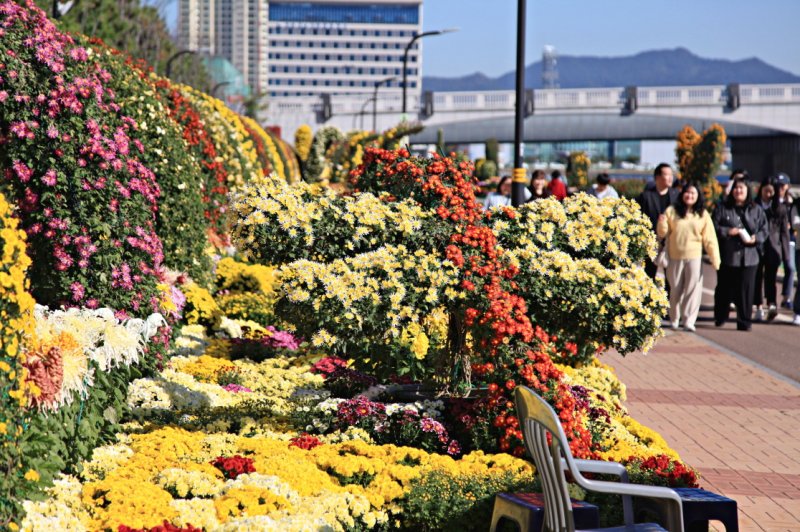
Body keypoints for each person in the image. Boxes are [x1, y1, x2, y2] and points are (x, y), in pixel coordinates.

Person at [657, 183, 720, 331]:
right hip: (674, 256)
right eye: (687, 193)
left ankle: (689, 320)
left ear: (698, 196)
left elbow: (710, 238)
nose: (690, 196)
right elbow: (662, 233)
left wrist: (715, 258)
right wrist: (661, 223)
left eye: (693, 193)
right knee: (675, 289)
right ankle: (674, 318)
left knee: (693, 290)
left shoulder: (702, 214)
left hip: (694, 257)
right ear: (682, 194)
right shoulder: (671, 211)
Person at [713, 177, 769, 331]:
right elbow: (715, 226)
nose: (738, 191)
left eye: (742, 188)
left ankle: (744, 321)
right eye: (736, 188)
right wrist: (728, 231)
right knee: (724, 288)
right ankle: (721, 316)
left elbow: (764, 229)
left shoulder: (756, 209)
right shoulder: (723, 208)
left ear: (747, 191)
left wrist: (755, 238)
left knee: (746, 290)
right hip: (728, 256)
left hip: (749, 257)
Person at [752, 176, 791, 321]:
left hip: (773, 248)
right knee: (756, 277)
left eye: (771, 191)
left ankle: (771, 304)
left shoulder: (779, 208)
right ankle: (758, 306)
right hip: (756, 247)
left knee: (771, 278)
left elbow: (784, 233)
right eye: (766, 191)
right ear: (761, 190)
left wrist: (786, 254)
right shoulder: (754, 206)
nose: (768, 194)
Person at [636, 163, 680, 280]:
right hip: (652, 242)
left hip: (670, 241)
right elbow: (638, 217)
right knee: (648, 275)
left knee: (671, 277)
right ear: (657, 177)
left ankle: (669, 298)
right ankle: (649, 297)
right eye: (667, 174)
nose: (670, 177)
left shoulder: (676, 196)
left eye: (671, 174)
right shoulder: (646, 197)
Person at [775, 172, 795, 309]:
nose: (781, 188)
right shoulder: (772, 201)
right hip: (774, 239)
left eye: (783, 185)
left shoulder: (792, 202)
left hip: (789, 239)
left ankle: (786, 297)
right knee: (770, 269)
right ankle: (769, 300)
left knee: (790, 267)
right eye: (778, 185)